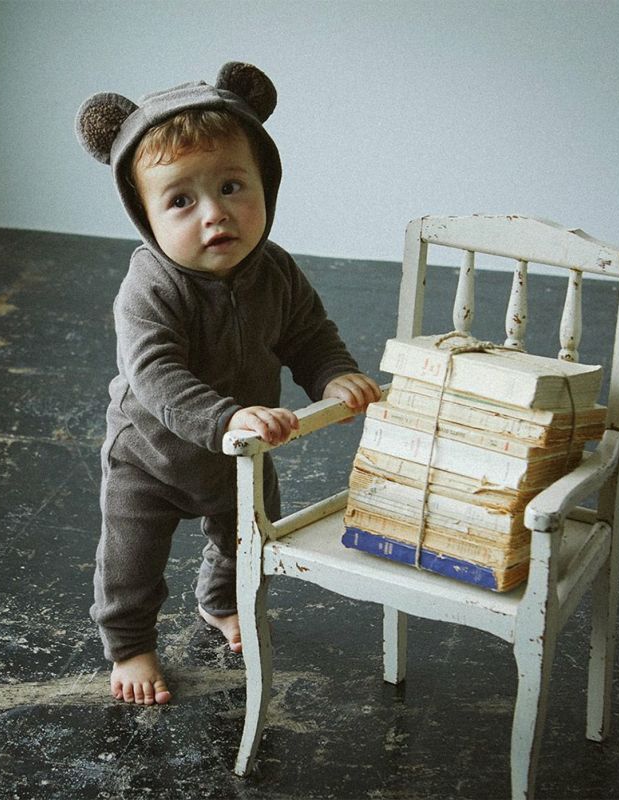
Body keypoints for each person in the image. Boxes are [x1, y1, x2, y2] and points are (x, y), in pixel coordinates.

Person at [75, 62, 381, 706]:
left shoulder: (276, 271)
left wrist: (334, 374)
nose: (215, 214)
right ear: (145, 216)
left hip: (243, 450)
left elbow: (308, 334)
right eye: (181, 201)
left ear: (266, 184)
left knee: (248, 538)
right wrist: (225, 418)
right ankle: (129, 643)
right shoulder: (150, 287)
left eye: (232, 186)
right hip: (152, 457)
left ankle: (222, 602)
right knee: (130, 560)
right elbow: (156, 375)